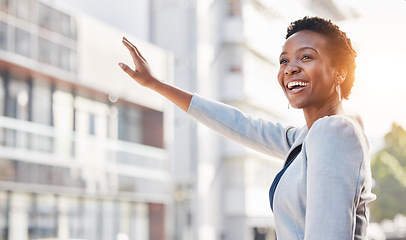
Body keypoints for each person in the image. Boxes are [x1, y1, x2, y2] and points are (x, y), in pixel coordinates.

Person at [119, 16, 376, 239]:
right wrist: (156, 84)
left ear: (339, 73)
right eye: (284, 61)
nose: (290, 68)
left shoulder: (334, 133)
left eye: (306, 56)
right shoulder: (307, 138)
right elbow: (240, 124)